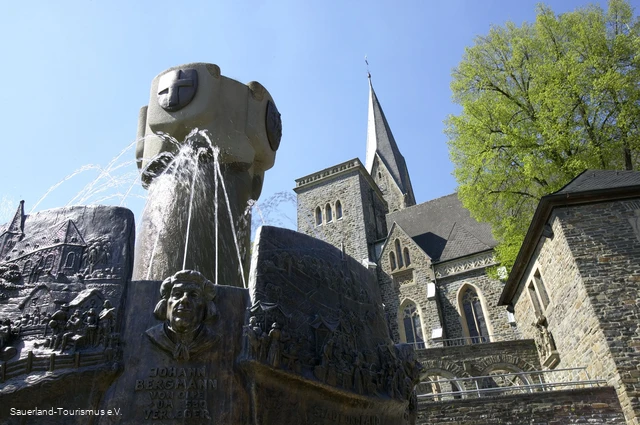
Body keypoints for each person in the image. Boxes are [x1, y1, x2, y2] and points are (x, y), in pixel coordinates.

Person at [146, 270, 219, 361]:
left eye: (194, 295)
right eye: (177, 294)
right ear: (165, 303)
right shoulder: (154, 335)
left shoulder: (210, 338)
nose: (184, 300)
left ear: (206, 306)